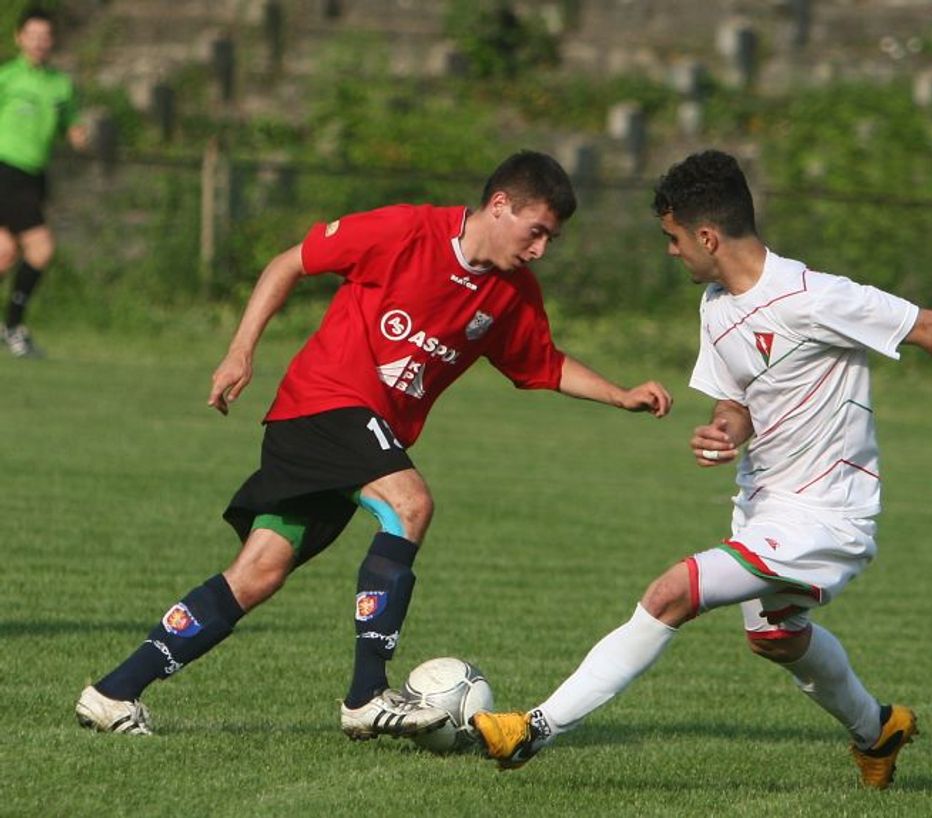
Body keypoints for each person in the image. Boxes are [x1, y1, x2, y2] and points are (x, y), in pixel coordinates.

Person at [471, 150, 932, 789]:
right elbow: (737, 402)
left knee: (672, 593)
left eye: (673, 238)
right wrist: (724, 433)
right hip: (765, 506)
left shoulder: (814, 297)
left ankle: (532, 729)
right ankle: (878, 730)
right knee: (777, 637)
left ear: (707, 236)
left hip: (827, 514)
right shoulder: (716, 306)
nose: (670, 251)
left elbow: (931, 327)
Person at [75, 150, 673, 737]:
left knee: (258, 572)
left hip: (348, 434)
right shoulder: (405, 231)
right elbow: (289, 263)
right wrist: (240, 352)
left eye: (551, 239)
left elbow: (543, 363)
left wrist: (619, 394)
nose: (540, 249)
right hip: (323, 405)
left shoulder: (512, 293)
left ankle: (113, 692)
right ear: (499, 205)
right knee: (410, 504)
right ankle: (366, 696)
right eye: (536, 231)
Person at [0, 7, 87, 358]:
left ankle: (10, 327)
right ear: (19, 37)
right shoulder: (7, 78)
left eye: (45, 36)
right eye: (32, 36)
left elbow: (70, 122)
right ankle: (13, 327)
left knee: (4, 253)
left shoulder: (60, 84)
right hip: (5, 171)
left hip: (35, 177)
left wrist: (77, 133)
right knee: (41, 249)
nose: (39, 42)